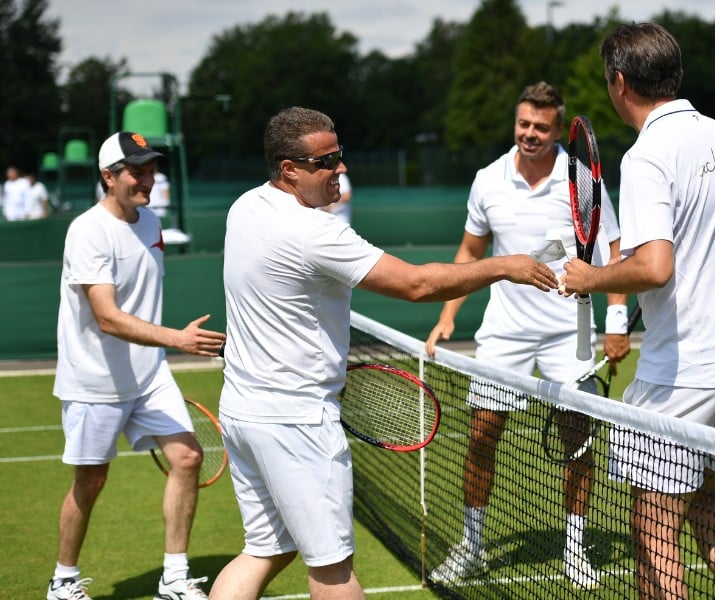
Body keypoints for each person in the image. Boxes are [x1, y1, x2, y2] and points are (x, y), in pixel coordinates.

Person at [208, 106, 559, 600]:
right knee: (333, 570)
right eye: (326, 161)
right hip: (296, 421)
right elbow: (415, 284)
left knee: (266, 549)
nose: (340, 169)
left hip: (243, 410)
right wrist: (503, 266)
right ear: (289, 169)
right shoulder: (316, 232)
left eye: (340, 155)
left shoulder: (245, 207)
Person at [560, 22, 715, 600]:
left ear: (619, 82)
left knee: (653, 526)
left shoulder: (648, 154)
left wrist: (592, 277)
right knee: (701, 491)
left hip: (689, 366)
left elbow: (655, 266)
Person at [424, 82, 631, 588]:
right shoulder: (488, 179)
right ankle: (471, 546)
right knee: (480, 436)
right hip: (504, 333)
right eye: (523, 124)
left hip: (570, 333)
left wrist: (617, 322)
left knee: (577, 443)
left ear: (558, 129)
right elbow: (471, 253)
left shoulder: (582, 178)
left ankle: (575, 549)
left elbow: (613, 251)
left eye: (541, 126)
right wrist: (448, 314)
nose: (530, 134)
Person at [47, 131, 227, 600]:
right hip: (94, 382)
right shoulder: (87, 230)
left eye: (151, 168)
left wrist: (164, 348)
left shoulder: (151, 223)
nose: (148, 178)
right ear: (108, 177)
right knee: (91, 480)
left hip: (150, 375)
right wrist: (177, 338)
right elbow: (106, 317)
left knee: (187, 457)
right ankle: (63, 580)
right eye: (136, 170)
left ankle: (174, 577)